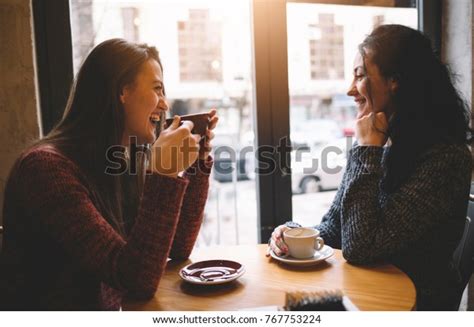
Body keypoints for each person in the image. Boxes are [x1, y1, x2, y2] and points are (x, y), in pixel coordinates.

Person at [0, 38, 218, 310]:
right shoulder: (45, 170)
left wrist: (196, 163)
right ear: (122, 91)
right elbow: (135, 278)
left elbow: (176, 247)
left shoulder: (121, 160)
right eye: (157, 89)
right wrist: (162, 174)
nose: (165, 105)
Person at [269, 25, 472, 310]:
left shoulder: (445, 159)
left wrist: (367, 151)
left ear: (396, 81)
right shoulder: (384, 142)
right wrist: (292, 235)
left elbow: (359, 247)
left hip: (411, 303)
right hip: (363, 291)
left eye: (360, 75)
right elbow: (335, 226)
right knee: (278, 306)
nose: (350, 90)